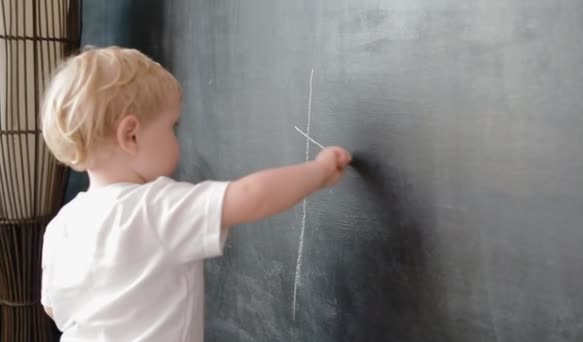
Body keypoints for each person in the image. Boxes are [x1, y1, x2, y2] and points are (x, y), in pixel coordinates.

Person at [39, 46, 351, 341]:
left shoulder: (61, 226)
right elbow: (252, 196)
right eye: (171, 126)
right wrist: (320, 172)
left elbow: (53, 309)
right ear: (130, 135)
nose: (177, 139)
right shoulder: (155, 208)